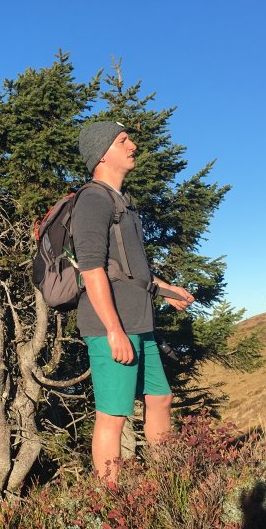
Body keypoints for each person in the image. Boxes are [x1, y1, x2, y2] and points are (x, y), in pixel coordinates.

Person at [75, 120, 195, 485]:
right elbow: (91, 270)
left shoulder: (123, 203)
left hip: (139, 322)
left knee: (159, 399)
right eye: (123, 140)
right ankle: (109, 502)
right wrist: (114, 330)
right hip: (112, 327)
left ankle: (167, 485)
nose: (133, 146)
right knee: (113, 416)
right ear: (101, 154)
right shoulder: (93, 200)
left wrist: (167, 291)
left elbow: (130, 271)